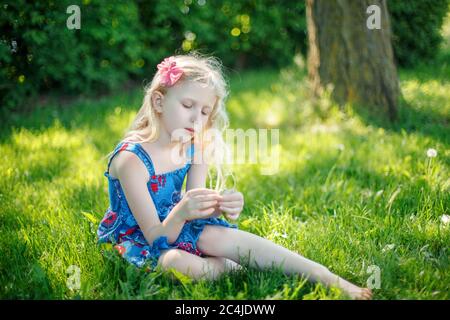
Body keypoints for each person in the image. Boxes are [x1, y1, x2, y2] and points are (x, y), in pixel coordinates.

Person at [97, 52, 372, 300]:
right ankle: (234, 266)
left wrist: (220, 205)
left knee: (213, 238)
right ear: (159, 101)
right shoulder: (132, 161)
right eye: (188, 105)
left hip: (177, 225)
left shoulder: (195, 147)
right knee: (172, 262)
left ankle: (324, 276)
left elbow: (196, 205)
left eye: (205, 112)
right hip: (140, 238)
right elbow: (156, 237)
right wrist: (182, 212)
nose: (197, 119)